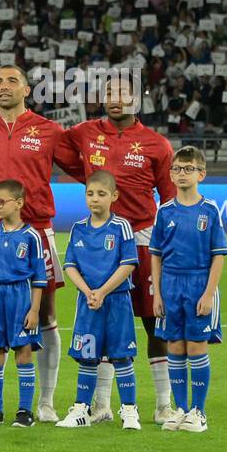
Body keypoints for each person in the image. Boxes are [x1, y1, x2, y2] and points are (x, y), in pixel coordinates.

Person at [0, 65, 82, 423]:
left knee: (45, 316)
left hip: (38, 230)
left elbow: (79, 166)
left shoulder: (48, 130)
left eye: (12, 80)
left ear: (27, 89)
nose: (4, 86)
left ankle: (45, 401)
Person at [56, 74, 176, 423]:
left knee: (155, 322)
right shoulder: (84, 132)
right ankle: (103, 406)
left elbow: (168, 201)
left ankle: (163, 404)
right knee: (103, 321)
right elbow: (57, 147)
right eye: (109, 91)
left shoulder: (157, 145)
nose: (115, 97)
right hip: (100, 244)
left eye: (124, 92)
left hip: (142, 239)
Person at [149, 146, 227, 433]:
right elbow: (156, 254)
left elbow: (218, 255)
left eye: (188, 168)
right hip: (170, 285)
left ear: (201, 174)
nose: (182, 174)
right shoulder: (164, 211)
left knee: (196, 346)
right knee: (175, 346)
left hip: (199, 283)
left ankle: (199, 412)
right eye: (177, 169)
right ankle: (180, 409)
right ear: (170, 174)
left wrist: (208, 294)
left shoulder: (210, 210)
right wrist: (157, 293)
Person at [56, 171, 141, 430]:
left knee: (121, 356)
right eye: (90, 194)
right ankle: (82, 409)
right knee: (87, 356)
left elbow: (128, 263)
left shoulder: (120, 226)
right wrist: (88, 292)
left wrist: (102, 291)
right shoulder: (78, 228)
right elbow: (70, 264)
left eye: (101, 194)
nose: (95, 199)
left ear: (113, 196)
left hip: (116, 302)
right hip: (89, 303)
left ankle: (129, 411)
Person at [0, 180, 47, 427]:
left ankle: (25, 411)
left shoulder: (31, 236)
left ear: (19, 203)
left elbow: (38, 279)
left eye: (1, 202)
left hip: (20, 298)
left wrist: (34, 310)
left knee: (23, 353)